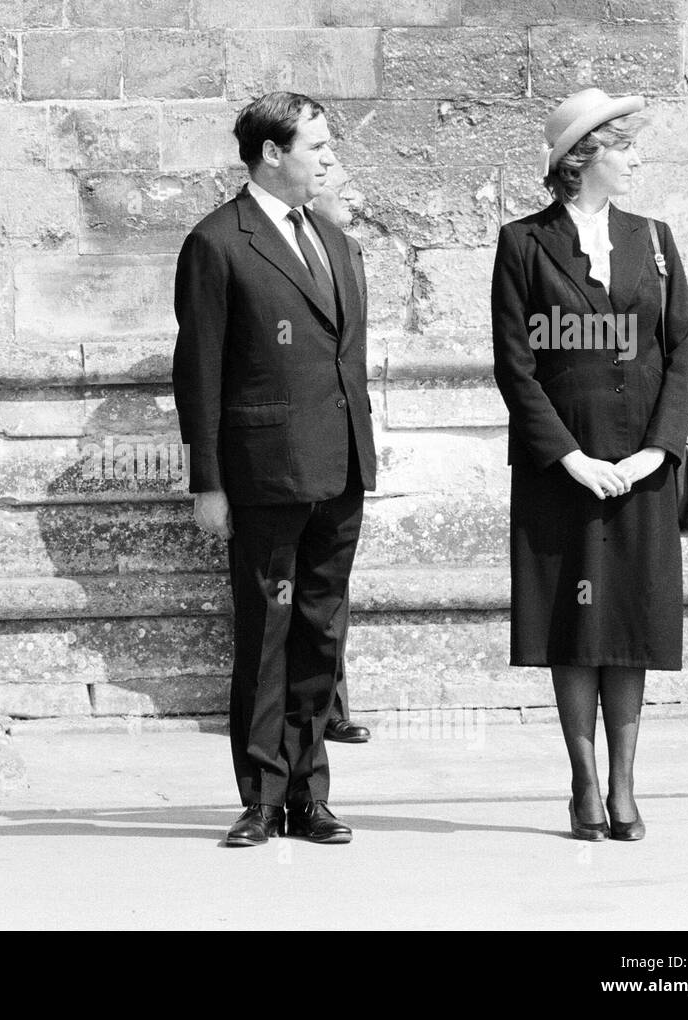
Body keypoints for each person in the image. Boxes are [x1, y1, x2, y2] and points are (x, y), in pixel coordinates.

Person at [490, 89, 688, 842]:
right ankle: (582, 783)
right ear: (584, 158)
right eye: (626, 146)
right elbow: (516, 368)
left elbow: (680, 353)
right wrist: (570, 458)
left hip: (642, 467)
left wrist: (656, 451)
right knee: (571, 623)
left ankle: (625, 787)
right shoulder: (523, 245)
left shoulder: (656, 239)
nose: (637, 158)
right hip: (560, 469)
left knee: (630, 621)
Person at [172, 92, 378, 847]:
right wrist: (209, 483)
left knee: (321, 634)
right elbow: (198, 374)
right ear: (271, 153)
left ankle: (308, 792)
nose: (328, 159)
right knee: (266, 633)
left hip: (341, 469)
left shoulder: (335, 240)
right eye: (316, 146)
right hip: (262, 476)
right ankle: (261, 795)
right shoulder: (219, 242)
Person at [309, 161, 372, 747]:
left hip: (345, 440)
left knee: (333, 590)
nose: (350, 194)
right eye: (340, 185)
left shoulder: (349, 253)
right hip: (294, 450)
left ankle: (332, 704)